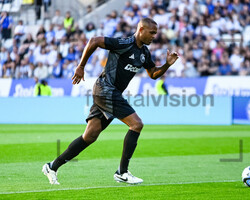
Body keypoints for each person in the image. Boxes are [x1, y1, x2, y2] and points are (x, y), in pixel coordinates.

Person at [42, 18, 179, 185]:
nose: (154, 37)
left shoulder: (144, 53)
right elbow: (94, 41)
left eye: (155, 34)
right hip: (105, 89)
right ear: (141, 29)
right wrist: (81, 66)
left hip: (108, 92)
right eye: (151, 33)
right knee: (136, 124)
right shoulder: (124, 43)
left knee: (89, 136)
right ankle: (122, 172)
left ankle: (52, 167)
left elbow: (152, 74)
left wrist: (167, 65)